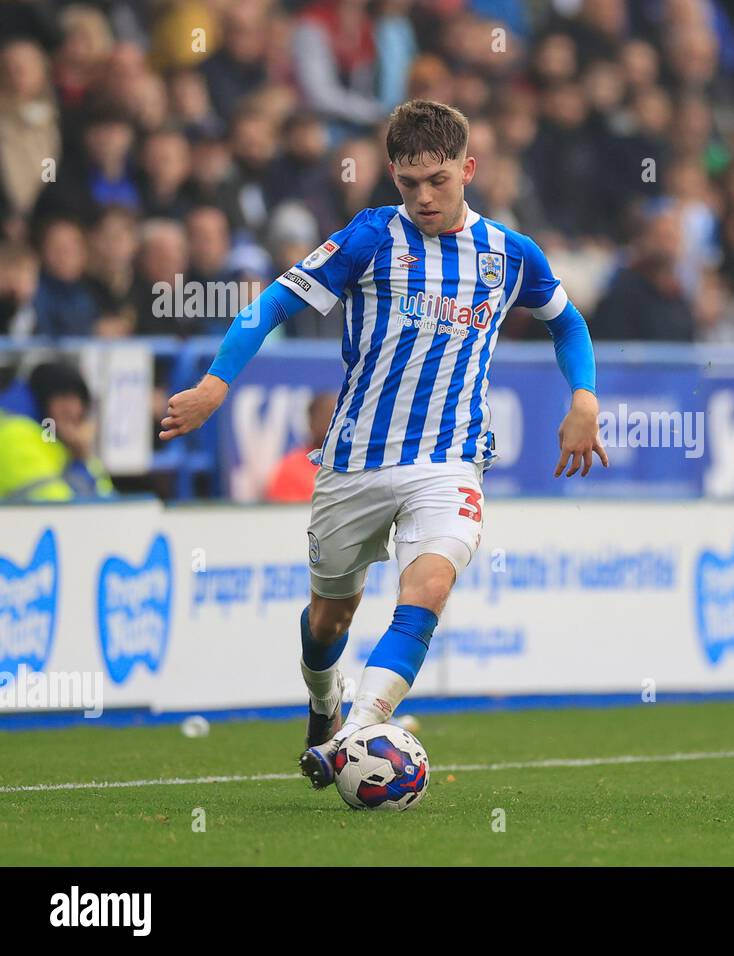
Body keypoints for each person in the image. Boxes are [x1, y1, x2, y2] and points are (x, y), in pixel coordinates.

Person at [158, 100, 606, 789]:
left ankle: (358, 731)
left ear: (468, 169)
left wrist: (584, 399)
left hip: (448, 461)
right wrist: (217, 384)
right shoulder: (369, 239)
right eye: (408, 182)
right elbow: (270, 304)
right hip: (354, 463)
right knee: (329, 616)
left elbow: (568, 323)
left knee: (426, 590)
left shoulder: (510, 255)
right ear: (393, 176)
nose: (423, 197)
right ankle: (324, 702)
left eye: (438, 180)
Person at [0, 362, 114, 501]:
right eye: (63, 397)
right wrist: (79, 462)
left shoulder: (56, 439)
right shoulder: (15, 433)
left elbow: (108, 499)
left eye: (80, 400)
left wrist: (82, 457)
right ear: (42, 399)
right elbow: (55, 504)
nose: (74, 410)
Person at [264, 391, 336, 502]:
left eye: (338, 417)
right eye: (327, 416)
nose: (333, 424)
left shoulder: (356, 463)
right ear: (311, 422)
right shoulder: (291, 468)